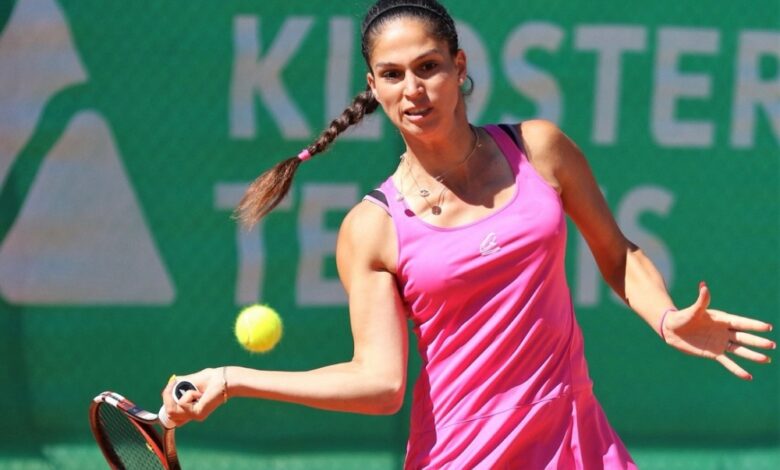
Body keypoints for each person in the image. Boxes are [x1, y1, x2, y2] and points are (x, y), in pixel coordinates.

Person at [163, 1, 775, 467]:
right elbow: (380, 383)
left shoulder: (540, 149)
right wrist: (234, 379)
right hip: (464, 456)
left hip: (576, 442)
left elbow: (616, 254)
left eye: (428, 67)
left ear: (459, 68)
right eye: (392, 74)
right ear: (373, 88)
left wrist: (664, 317)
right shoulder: (370, 229)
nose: (413, 89)